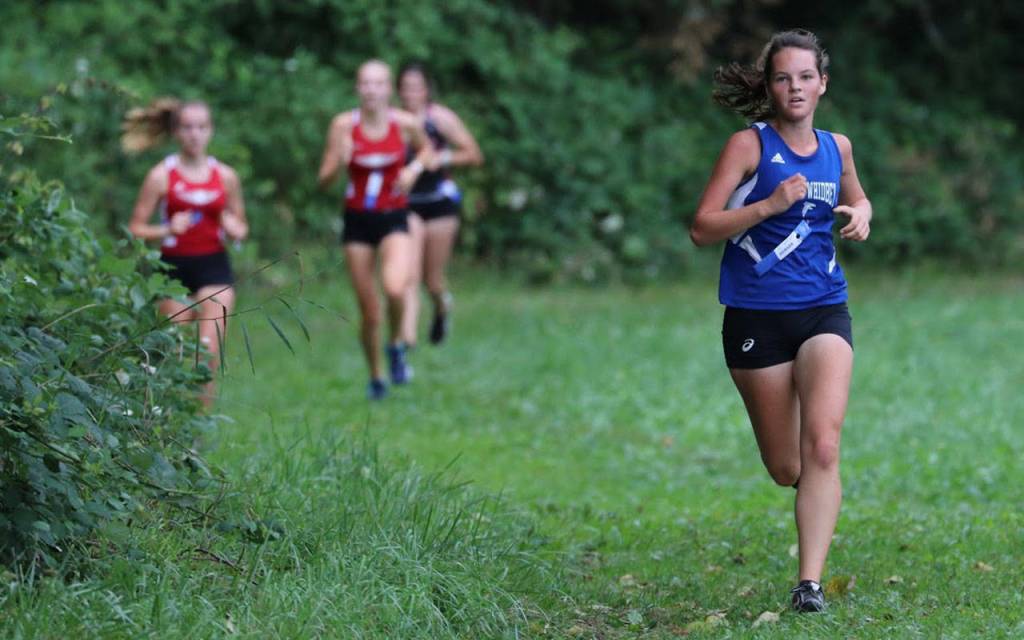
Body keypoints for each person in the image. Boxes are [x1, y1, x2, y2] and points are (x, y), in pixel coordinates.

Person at [689, 30, 872, 612]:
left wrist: (862, 212)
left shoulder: (836, 146)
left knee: (822, 445)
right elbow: (702, 227)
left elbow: (857, 195)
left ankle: (808, 585)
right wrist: (769, 205)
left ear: (823, 83)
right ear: (769, 86)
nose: (794, 87)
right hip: (755, 320)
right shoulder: (749, 146)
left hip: (824, 308)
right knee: (786, 465)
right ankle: (810, 492)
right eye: (782, 77)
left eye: (805, 77)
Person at [318, 59, 432, 400]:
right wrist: (339, 160)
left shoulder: (405, 123)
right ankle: (376, 376)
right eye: (365, 83)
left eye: (379, 83)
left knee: (396, 288)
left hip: (394, 215)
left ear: (389, 89)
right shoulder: (343, 126)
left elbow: (427, 150)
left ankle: (396, 345)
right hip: (357, 222)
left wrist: (412, 169)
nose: (371, 90)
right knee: (369, 312)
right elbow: (322, 181)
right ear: (357, 88)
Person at [125, 98, 248, 407]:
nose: (195, 134)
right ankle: (164, 423)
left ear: (210, 131)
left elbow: (241, 226)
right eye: (188, 127)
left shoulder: (226, 176)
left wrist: (234, 228)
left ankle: (197, 433)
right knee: (171, 352)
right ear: (176, 132)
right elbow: (135, 228)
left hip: (214, 267)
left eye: (201, 127)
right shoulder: (161, 176)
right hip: (173, 271)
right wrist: (167, 230)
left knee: (206, 354)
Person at [397, 62, 483, 347]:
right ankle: (406, 339)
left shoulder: (440, 118)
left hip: (439, 202)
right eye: (406, 87)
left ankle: (441, 309)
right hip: (406, 203)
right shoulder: (394, 121)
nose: (411, 93)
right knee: (409, 273)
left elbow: (473, 154)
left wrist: (442, 159)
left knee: (431, 280)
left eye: (417, 87)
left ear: (426, 90)